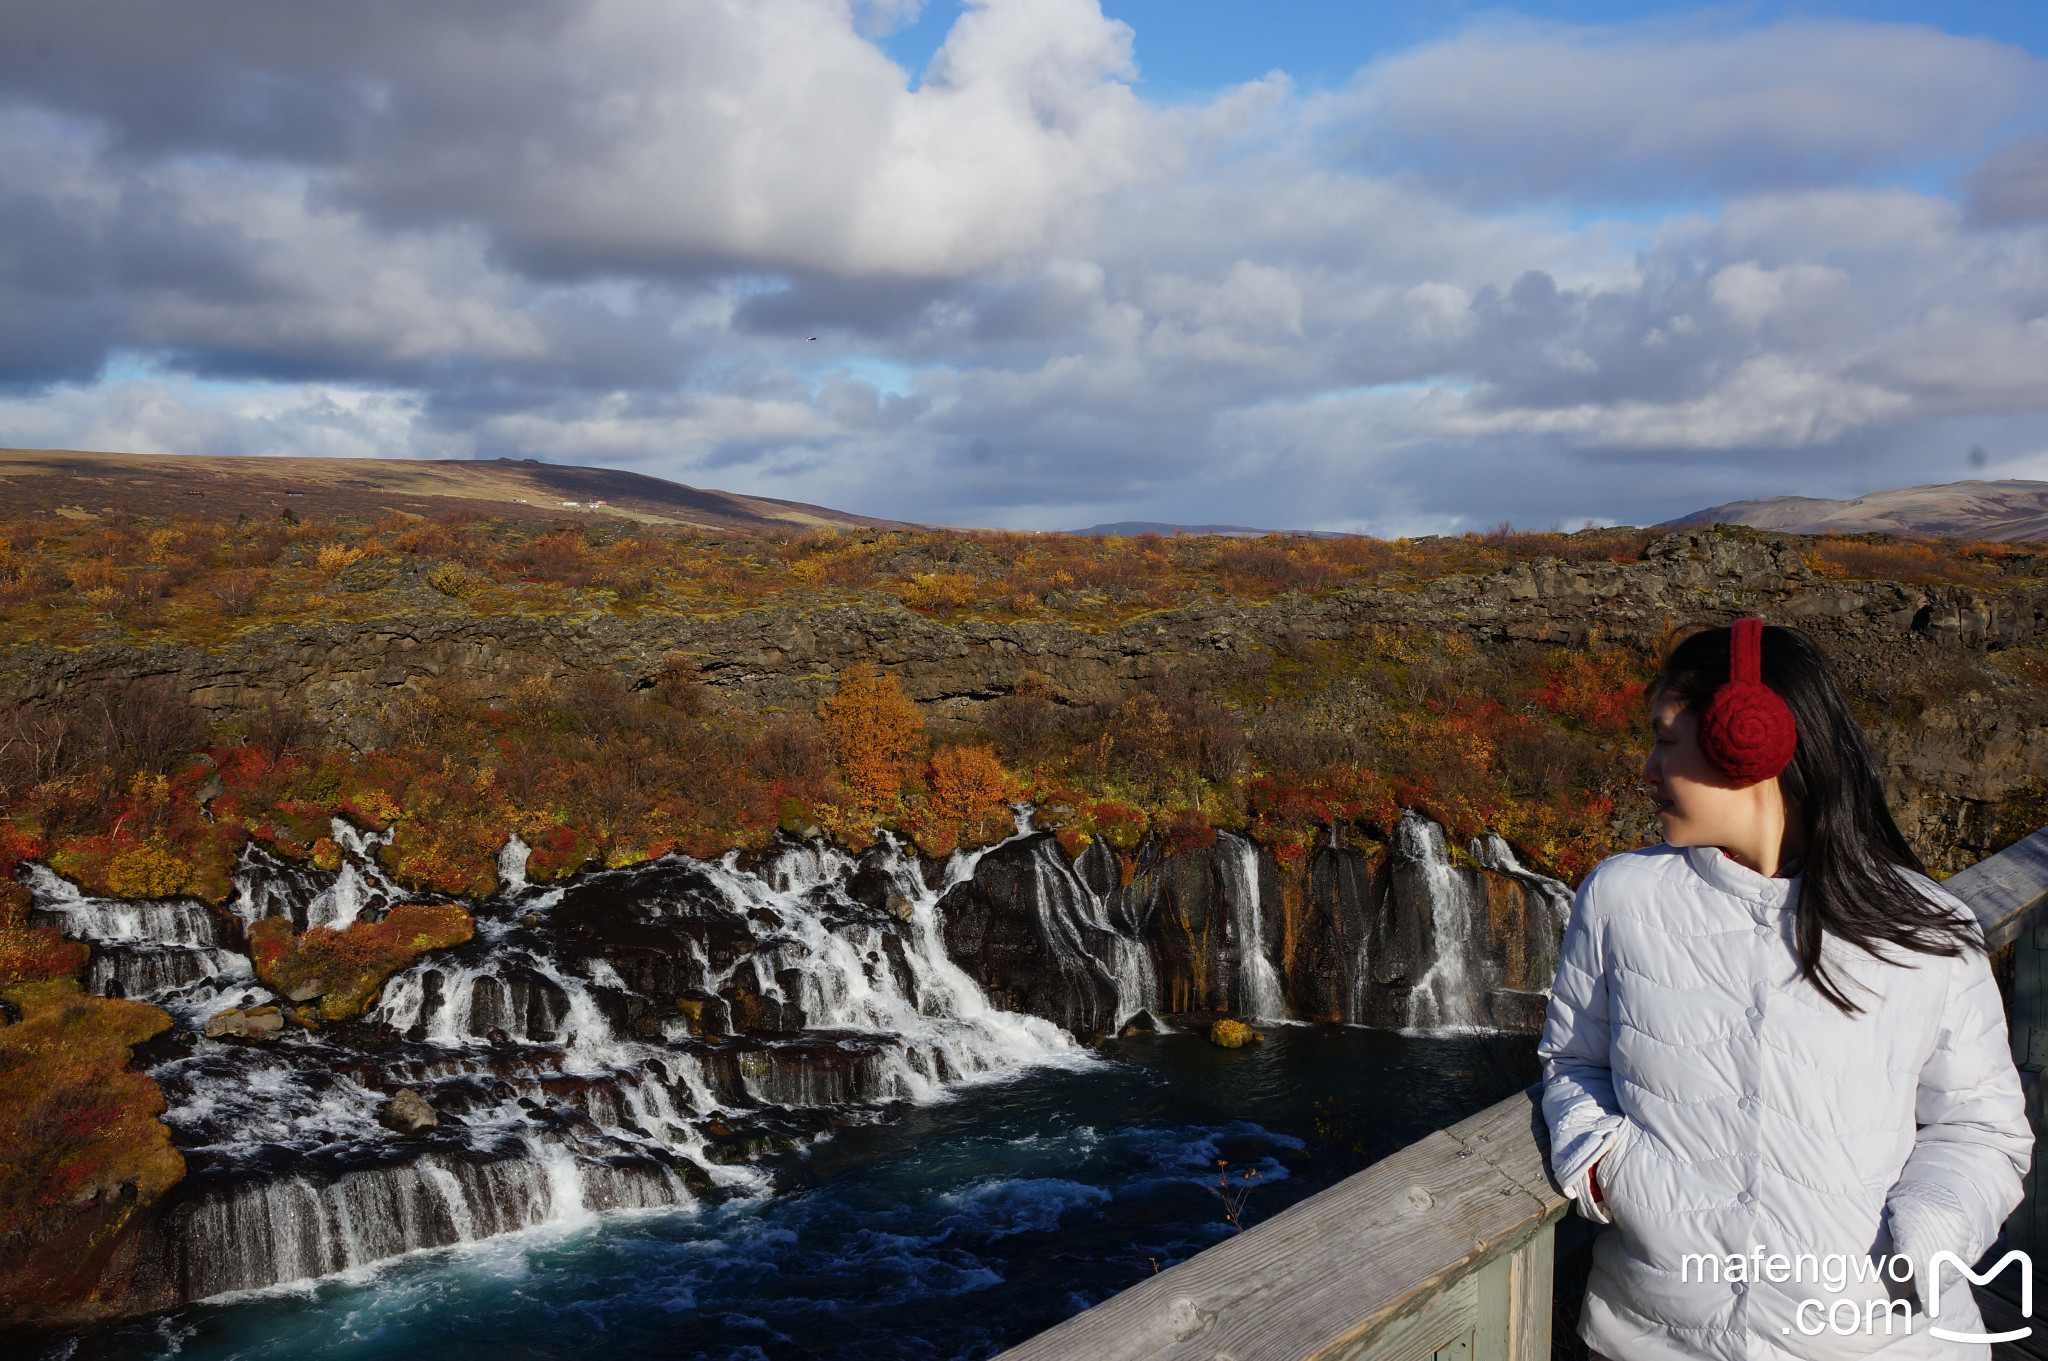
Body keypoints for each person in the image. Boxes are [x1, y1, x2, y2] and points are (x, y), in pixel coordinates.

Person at [1539, 619, 2032, 1360]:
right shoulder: (1621, 897)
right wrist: (1605, 1163)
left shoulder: (1926, 931)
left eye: (1665, 740)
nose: (1646, 768)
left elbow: (1984, 1127)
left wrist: (1929, 1228)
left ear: (1749, 743)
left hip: (1881, 1339)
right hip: (1655, 1337)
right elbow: (1572, 1061)